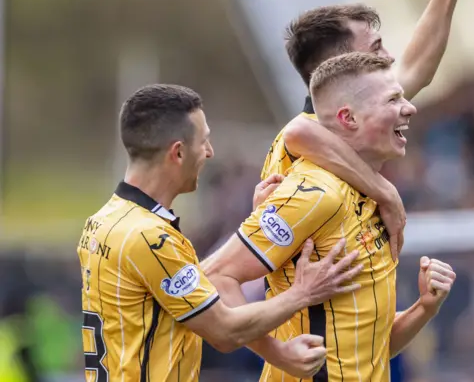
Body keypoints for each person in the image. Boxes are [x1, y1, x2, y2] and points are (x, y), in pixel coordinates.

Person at [77, 84, 364, 382]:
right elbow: (225, 331)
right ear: (178, 152)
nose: (210, 153)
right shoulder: (151, 237)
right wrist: (303, 292)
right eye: (204, 142)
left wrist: (254, 222)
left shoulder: (105, 221)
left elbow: (186, 292)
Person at [205, 53, 456, 381]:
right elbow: (214, 276)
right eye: (394, 99)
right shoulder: (317, 193)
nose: (409, 108)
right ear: (348, 118)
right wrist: (279, 353)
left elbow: (369, 349)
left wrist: (424, 308)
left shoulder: (372, 197)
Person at [262, 0, 474, 261]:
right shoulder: (298, 146)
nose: (390, 58)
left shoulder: (361, 110)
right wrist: (386, 192)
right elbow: (297, 136)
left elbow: (417, 62)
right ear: (339, 67)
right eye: (376, 49)